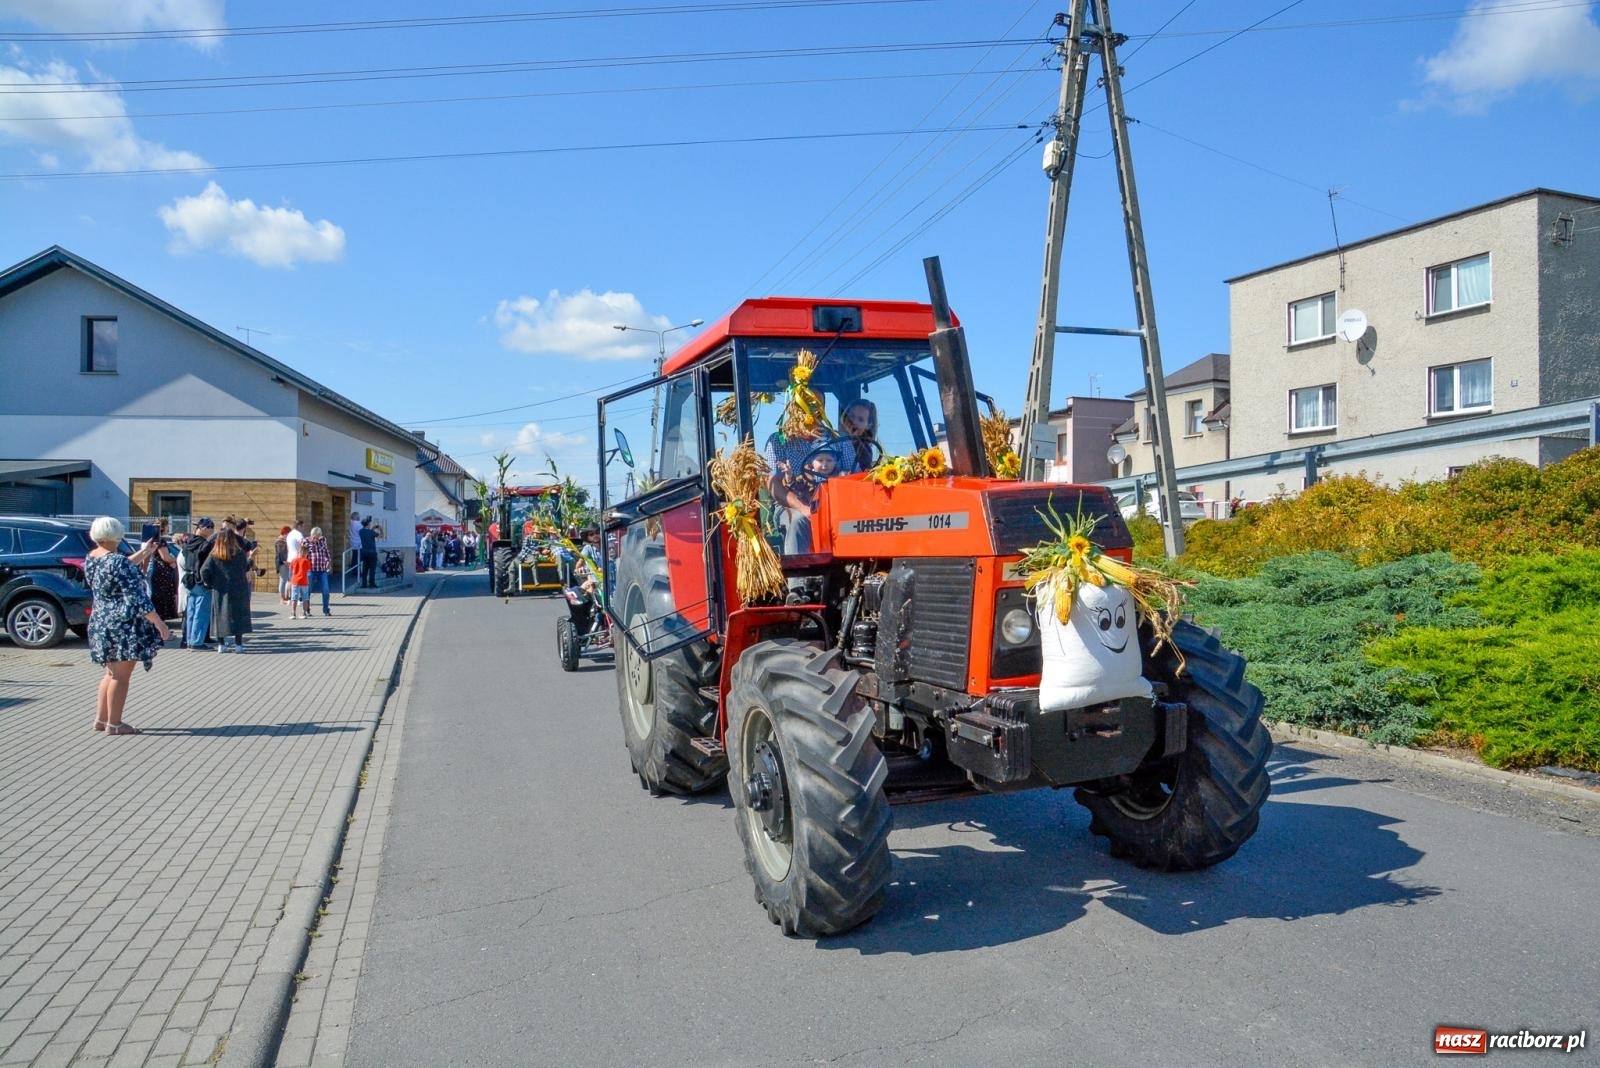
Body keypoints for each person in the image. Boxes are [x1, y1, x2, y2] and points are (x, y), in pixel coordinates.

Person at [84, 516, 171, 735]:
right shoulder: (117, 561)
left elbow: (118, 567)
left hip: (100, 620)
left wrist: (145, 552)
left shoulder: (93, 557)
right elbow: (138, 599)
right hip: (121, 624)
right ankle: (115, 724)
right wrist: (159, 623)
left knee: (110, 674)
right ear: (118, 534)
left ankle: (101, 719)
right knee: (121, 676)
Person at [201, 528, 253, 652]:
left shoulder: (214, 555)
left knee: (220, 615)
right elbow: (245, 567)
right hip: (239, 588)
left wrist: (210, 583)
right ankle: (239, 645)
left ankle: (221, 644)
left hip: (220, 589)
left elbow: (204, 571)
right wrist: (251, 559)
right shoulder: (239, 553)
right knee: (238, 616)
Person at [177, 518, 215, 650]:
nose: (212, 532)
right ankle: (197, 641)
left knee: (191, 612)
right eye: (211, 529)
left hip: (188, 579)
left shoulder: (188, 543)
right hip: (200, 580)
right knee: (201, 612)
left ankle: (189, 640)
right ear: (204, 528)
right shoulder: (205, 544)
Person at [840, 399, 879, 472]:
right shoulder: (831, 438)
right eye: (851, 416)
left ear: (868, 425)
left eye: (860, 419)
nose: (854, 422)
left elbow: (863, 472)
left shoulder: (864, 450)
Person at [305, 526, 333, 616]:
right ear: (311, 535)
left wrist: (328, 562)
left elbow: (326, 552)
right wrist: (312, 543)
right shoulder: (306, 541)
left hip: (322, 570)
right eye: (314, 537)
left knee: (326, 590)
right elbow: (303, 551)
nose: (315, 539)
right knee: (308, 590)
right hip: (311, 570)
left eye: (317, 537)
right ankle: (306, 609)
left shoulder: (323, 540)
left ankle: (326, 610)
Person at [288, 550, 312, 619]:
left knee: (294, 597)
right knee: (305, 598)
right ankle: (304, 613)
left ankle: (293, 613)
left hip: (295, 581)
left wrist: (290, 580)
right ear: (306, 554)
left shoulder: (293, 560)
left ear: (299, 553)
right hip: (304, 582)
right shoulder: (307, 561)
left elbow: (290, 572)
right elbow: (309, 572)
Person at [274, 525, 293, 605]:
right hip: (282, 563)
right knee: (283, 580)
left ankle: (286, 597)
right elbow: (280, 553)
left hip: (286, 562)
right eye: (288, 533)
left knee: (287, 580)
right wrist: (286, 562)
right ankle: (282, 598)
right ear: (285, 533)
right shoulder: (280, 541)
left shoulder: (284, 540)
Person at [358, 516, 379, 588]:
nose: (370, 524)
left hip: (364, 552)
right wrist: (379, 528)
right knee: (372, 569)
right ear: (368, 524)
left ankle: (364, 584)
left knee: (365, 569)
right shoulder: (371, 532)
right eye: (369, 523)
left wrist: (371, 529)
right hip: (372, 552)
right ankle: (372, 583)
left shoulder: (360, 531)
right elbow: (378, 535)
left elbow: (367, 532)